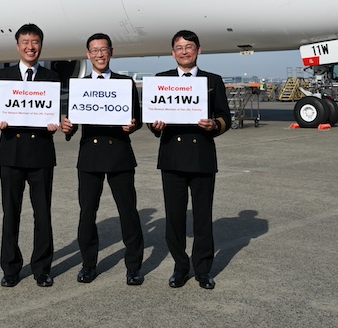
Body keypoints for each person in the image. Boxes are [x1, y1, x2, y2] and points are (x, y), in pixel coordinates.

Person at [148, 29, 231, 289]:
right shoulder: (161, 80)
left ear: (198, 50)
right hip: (172, 156)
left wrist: (214, 126)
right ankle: (181, 267)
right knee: (175, 217)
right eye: (179, 48)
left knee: (203, 217)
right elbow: (152, 119)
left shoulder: (212, 80)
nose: (184, 52)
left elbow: (225, 117)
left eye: (189, 47)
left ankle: (203, 270)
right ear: (173, 53)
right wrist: (155, 126)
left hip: (202, 156)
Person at [61, 33, 145, 286]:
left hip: (119, 154)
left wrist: (133, 126)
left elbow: (137, 118)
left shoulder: (125, 83)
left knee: (128, 213)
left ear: (111, 52)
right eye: (94, 50)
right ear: (88, 55)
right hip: (90, 156)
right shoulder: (80, 85)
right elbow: (73, 121)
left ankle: (133, 267)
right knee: (87, 214)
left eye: (104, 49)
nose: (99, 54)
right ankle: (88, 265)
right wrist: (68, 128)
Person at [0, 23, 62, 288]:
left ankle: (42, 268)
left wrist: (54, 123)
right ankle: (10, 268)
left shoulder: (51, 78)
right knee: (11, 214)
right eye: (25, 42)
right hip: (11, 153)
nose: (30, 47)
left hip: (41, 154)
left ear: (40, 45)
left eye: (35, 42)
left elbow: (52, 112)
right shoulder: (3, 75)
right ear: (18, 46)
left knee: (43, 215)